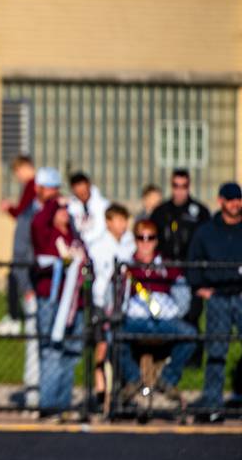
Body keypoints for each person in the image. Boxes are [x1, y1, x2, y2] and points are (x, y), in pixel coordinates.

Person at [118, 220, 195, 404]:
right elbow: (117, 297)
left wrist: (177, 310)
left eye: (150, 238)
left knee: (191, 335)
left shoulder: (167, 266)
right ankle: (133, 379)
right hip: (135, 321)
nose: (146, 243)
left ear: (156, 241)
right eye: (141, 238)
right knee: (112, 335)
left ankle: (167, 380)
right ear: (135, 240)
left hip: (164, 321)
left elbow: (182, 292)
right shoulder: (126, 266)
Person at [31, 167, 85, 418]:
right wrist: (54, 203)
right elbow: (39, 222)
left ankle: (63, 403)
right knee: (52, 351)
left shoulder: (73, 237)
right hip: (51, 300)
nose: (64, 212)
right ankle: (48, 405)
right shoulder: (46, 232)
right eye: (61, 210)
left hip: (75, 303)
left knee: (71, 353)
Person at [188, 182, 242, 423]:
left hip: (240, 295)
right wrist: (201, 288)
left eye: (238, 199)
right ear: (221, 201)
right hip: (218, 296)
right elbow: (193, 261)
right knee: (217, 350)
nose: (235, 204)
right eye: (230, 199)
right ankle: (212, 401)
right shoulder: (207, 231)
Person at [150, 169, 210, 366]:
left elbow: (205, 244)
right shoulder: (161, 212)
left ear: (189, 186)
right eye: (176, 186)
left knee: (192, 316)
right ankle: (166, 358)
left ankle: (193, 361)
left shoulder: (199, 212)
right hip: (167, 274)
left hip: (191, 273)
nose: (179, 191)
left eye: (183, 186)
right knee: (167, 317)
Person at [88, 203, 135, 405]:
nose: (123, 225)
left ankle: (119, 393)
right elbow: (100, 279)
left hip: (121, 305)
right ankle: (101, 393)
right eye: (118, 220)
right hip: (103, 304)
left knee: (119, 349)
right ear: (108, 222)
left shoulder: (127, 245)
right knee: (102, 347)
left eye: (125, 220)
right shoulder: (99, 246)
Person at [0, 154, 36, 336]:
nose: (18, 176)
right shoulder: (31, 187)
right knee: (14, 276)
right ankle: (15, 316)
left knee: (19, 277)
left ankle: (16, 318)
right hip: (26, 244)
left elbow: (21, 213)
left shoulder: (33, 186)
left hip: (26, 247)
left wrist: (9, 208)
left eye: (18, 171)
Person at [67, 171, 109, 250]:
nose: (82, 195)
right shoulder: (70, 206)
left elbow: (101, 229)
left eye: (84, 192)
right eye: (79, 193)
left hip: (100, 246)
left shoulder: (103, 205)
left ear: (89, 185)